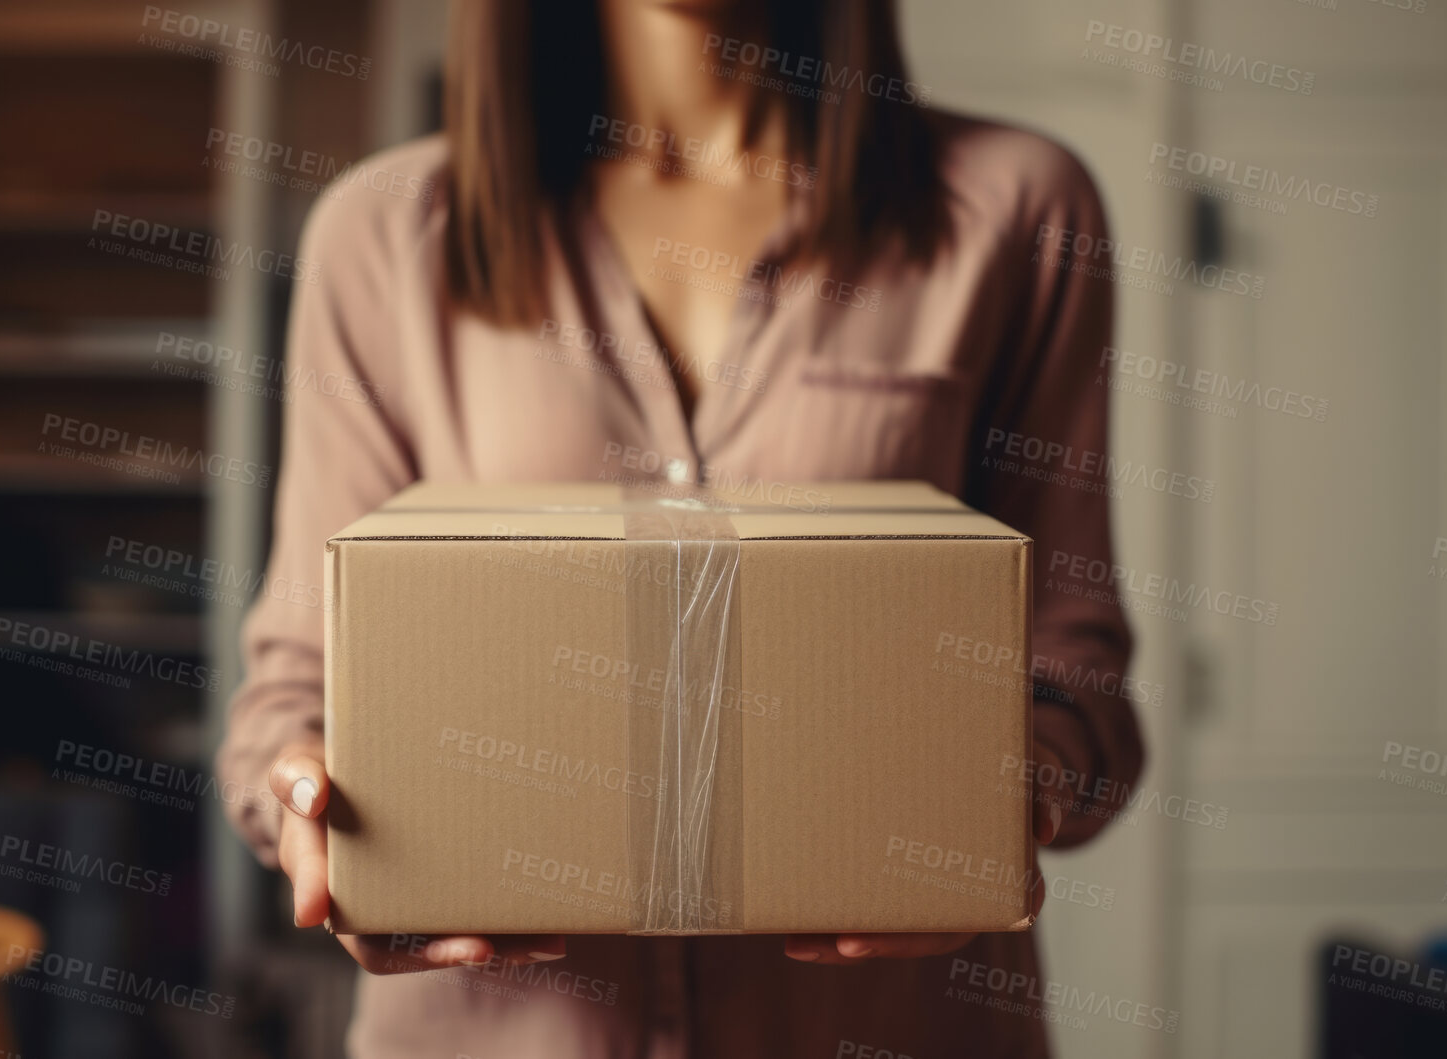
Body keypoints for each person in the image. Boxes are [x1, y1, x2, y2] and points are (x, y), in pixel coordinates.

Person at [216, 0, 1145, 1054]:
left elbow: (1072, 660)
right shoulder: (385, 226)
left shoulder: (1013, 204)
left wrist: (1004, 796)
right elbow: (298, 675)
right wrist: (303, 792)